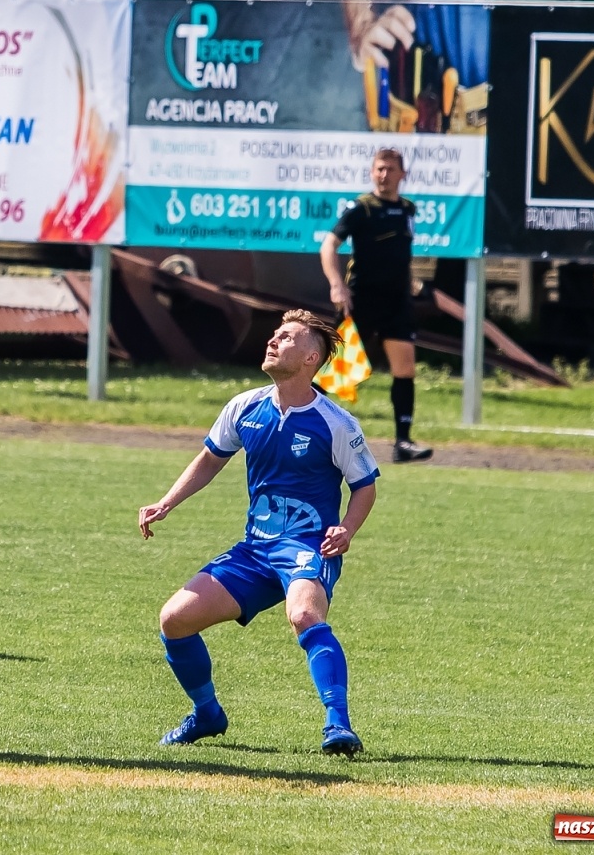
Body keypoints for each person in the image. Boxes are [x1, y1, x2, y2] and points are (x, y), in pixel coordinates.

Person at [139, 311, 379, 756]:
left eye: (285, 337)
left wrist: (346, 529)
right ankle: (207, 714)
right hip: (255, 551)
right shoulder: (245, 407)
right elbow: (211, 458)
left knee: (305, 616)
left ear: (311, 357)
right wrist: (167, 501)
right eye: (274, 334)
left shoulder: (335, 422)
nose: (272, 340)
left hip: (309, 547)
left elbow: (365, 487)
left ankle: (338, 725)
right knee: (174, 620)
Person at [320, 147, 434, 463]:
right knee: (336, 370)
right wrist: (336, 284)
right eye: (379, 169)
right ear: (373, 173)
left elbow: (399, 258)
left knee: (405, 367)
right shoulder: (362, 208)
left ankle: (403, 442)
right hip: (361, 299)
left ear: (403, 174)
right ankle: (297, 427)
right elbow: (329, 245)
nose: (384, 175)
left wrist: (413, 285)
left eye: (390, 169)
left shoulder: (408, 210)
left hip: (396, 301)